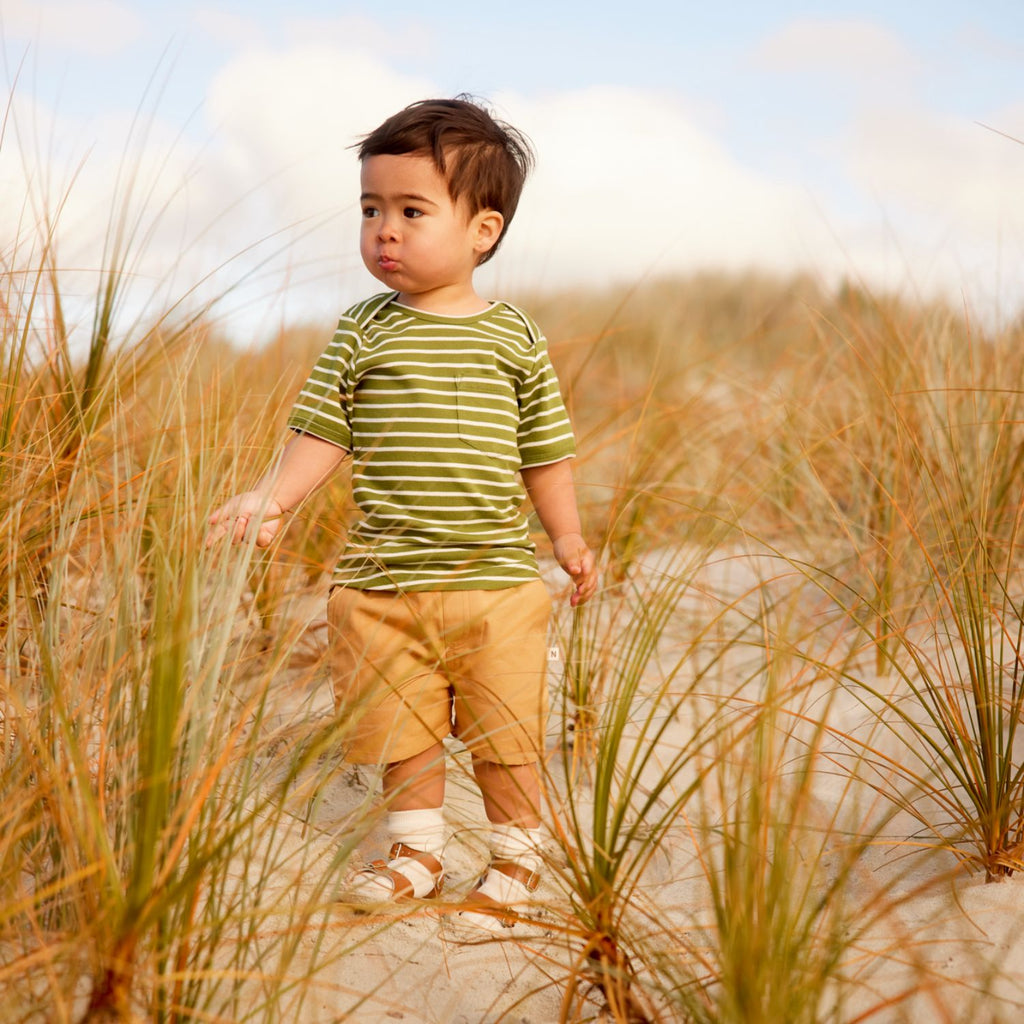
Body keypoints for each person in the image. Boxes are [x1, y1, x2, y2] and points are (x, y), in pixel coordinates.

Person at [206, 96, 597, 932]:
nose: (385, 229)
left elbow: (545, 450)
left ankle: (516, 861)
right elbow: (322, 430)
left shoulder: (513, 337)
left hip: (494, 583)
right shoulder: (360, 332)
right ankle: (416, 851)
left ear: (482, 231)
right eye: (371, 209)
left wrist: (565, 534)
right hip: (380, 584)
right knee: (399, 727)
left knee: (506, 731)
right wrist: (271, 499)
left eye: (412, 211)